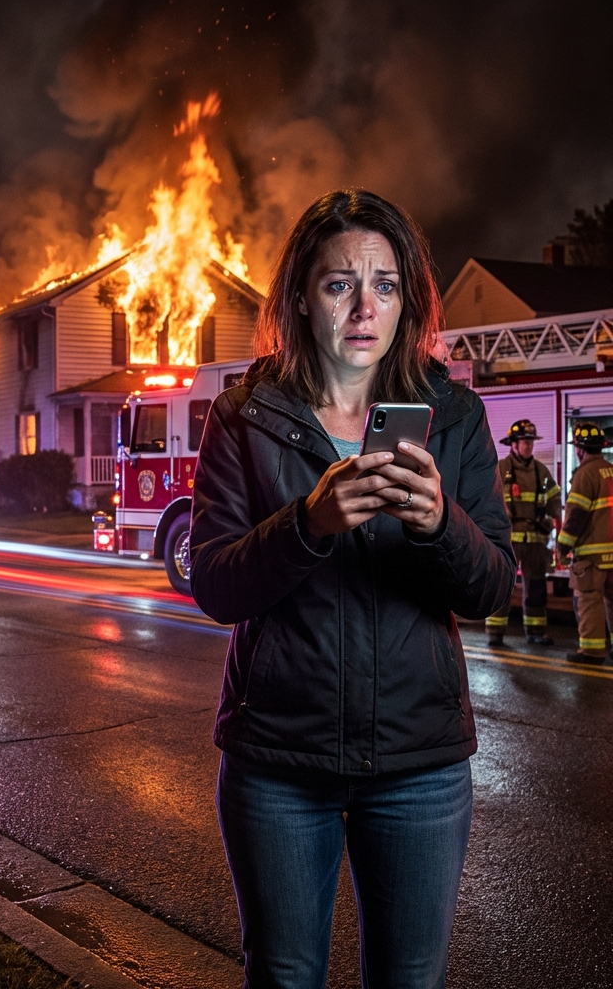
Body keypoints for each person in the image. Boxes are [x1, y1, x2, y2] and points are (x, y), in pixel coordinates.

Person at [189, 190, 515, 989]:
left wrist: (442, 523)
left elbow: (495, 588)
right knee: (285, 974)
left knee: (409, 979)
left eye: (387, 284)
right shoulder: (243, 417)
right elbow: (217, 586)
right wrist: (309, 521)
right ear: (302, 296)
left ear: (408, 299)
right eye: (340, 284)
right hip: (277, 761)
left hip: (419, 763)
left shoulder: (455, 416)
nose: (365, 307)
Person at [484, 420, 561, 646]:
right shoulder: (501, 469)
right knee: (501, 584)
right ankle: (495, 632)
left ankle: (535, 632)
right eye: (524, 442)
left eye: (530, 442)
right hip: (508, 539)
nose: (528, 446)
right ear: (513, 444)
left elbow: (555, 499)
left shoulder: (541, 471)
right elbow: (487, 500)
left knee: (536, 587)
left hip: (535, 539)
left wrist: (552, 517)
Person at [557, 422, 613, 665]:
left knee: (589, 599)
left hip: (592, 557)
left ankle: (592, 651)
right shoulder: (610, 470)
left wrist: (562, 547)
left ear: (579, 450)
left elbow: (576, 516)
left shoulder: (585, 474)